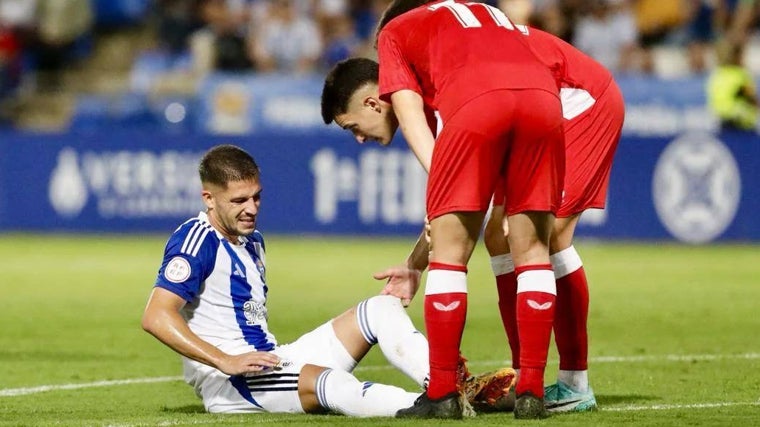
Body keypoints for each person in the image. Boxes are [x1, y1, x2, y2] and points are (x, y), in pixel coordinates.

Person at [141, 144, 515, 417]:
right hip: (234, 384)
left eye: (256, 197)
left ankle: (448, 386)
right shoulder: (197, 239)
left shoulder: (252, 240)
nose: (251, 208)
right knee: (332, 385)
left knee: (380, 308)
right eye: (239, 200)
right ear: (209, 198)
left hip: (272, 359)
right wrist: (224, 361)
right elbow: (157, 315)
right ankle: (428, 407)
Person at [323, 0, 565, 418]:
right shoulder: (477, 16)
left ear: (372, 103)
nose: (359, 140)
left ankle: (441, 395)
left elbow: (411, 113)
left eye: (353, 130)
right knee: (533, 253)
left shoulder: (392, 36)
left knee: (450, 260)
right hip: (544, 101)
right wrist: (415, 259)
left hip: (478, 101)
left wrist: (447, 188)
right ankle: (531, 390)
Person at [482, 23, 624, 414]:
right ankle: (521, 374)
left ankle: (575, 383)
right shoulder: (457, 39)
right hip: (525, 112)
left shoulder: (444, 58)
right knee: (497, 234)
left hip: (577, 103)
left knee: (549, 234)